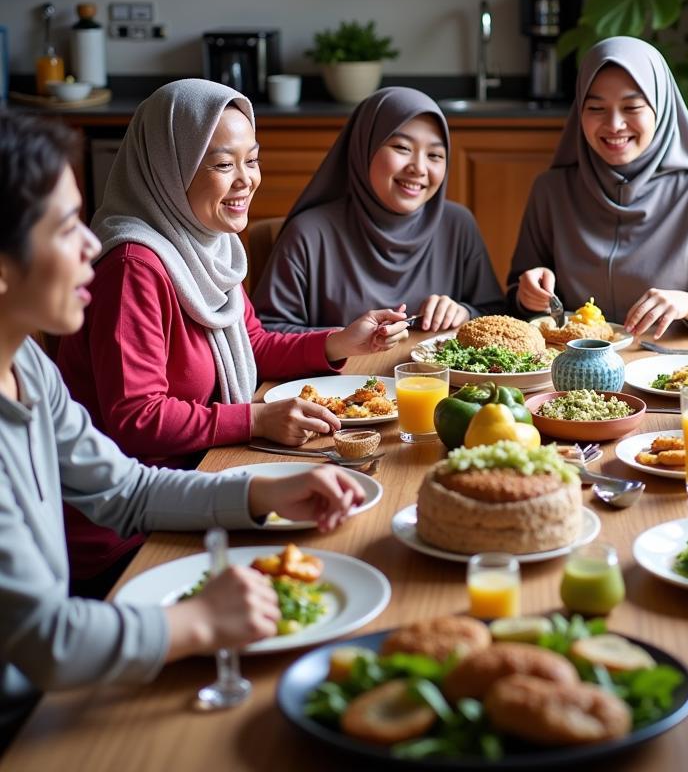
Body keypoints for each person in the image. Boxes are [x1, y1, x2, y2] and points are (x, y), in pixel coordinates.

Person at [0, 112, 368, 749]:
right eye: (66, 228)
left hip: (67, 676)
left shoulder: (25, 362)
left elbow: (127, 491)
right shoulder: (132, 262)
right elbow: (47, 641)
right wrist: (196, 621)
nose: (93, 243)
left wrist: (261, 494)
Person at [56, 80, 407, 591]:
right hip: (128, 536)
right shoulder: (133, 265)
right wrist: (257, 418)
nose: (246, 180)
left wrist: (340, 342)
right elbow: (135, 418)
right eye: (223, 165)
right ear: (168, 169)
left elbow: (252, 346)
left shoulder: (206, 244)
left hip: (200, 480)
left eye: (252, 160)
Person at [507, 36, 688, 338]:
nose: (614, 124)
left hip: (667, 378)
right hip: (572, 379)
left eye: (632, 107)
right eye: (596, 108)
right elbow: (515, 303)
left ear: (661, 107)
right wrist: (526, 295)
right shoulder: (551, 191)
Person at [254, 86, 504, 333]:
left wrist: (465, 312)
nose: (419, 168)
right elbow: (267, 334)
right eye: (402, 148)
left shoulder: (458, 224)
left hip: (434, 375)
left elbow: (497, 313)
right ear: (365, 147)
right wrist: (341, 340)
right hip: (340, 375)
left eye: (435, 155)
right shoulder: (309, 233)